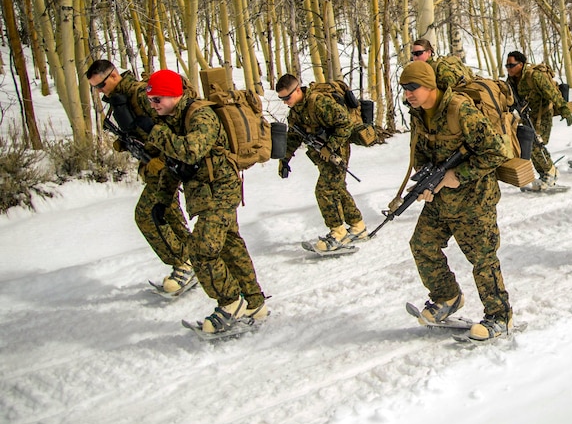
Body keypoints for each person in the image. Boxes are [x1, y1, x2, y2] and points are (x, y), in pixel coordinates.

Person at [143, 70, 268, 333]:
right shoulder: (170, 120)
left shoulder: (201, 115)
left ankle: (230, 303)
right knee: (230, 246)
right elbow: (172, 164)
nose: (153, 106)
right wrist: (162, 202)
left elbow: (191, 150)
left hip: (221, 191)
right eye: (151, 100)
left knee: (201, 249)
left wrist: (155, 134)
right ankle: (255, 304)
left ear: (174, 95)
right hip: (204, 194)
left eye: (157, 99)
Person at [399, 61, 513, 340]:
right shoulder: (418, 113)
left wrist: (458, 175)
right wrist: (424, 183)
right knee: (422, 245)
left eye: (413, 87)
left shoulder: (459, 109)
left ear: (430, 86)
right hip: (440, 197)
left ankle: (499, 317)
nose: (408, 94)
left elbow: (499, 151)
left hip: (475, 199)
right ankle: (447, 297)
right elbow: (422, 152)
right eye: (404, 88)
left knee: (482, 258)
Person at [85, 60, 195, 296]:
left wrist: (163, 161)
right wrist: (126, 141)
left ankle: (183, 263)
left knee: (146, 215)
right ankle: (196, 260)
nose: (100, 90)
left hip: (166, 165)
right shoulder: (121, 98)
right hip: (157, 166)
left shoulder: (140, 94)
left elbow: (170, 129)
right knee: (170, 215)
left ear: (114, 75)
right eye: (96, 87)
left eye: (102, 84)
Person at [276, 74, 369, 253]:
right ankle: (358, 226)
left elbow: (345, 125)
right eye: (282, 99)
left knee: (325, 190)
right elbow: (294, 137)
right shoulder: (296, 111)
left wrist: (331, 146)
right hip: (321, 154)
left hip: (337, 151)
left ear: (297, 90)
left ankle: (338, 233)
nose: (285, 102)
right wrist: (284, 159)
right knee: (337, 187)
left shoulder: (318, 103)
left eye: (287, 97)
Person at [505, 50, 572, 192]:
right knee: (528, 145)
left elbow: (552, 93)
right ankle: (544, 174)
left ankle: (551, 172)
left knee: (537, 144)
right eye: (507, 66)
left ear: (521, 64)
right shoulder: (511, 81)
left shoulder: (534, 76)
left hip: (543, 114)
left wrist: (565, 110)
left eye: (511, 65)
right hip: (527, 116)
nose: (509, 68)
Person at [409, 39, 474, 90]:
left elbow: (453, 91)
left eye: (418, 53)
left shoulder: (440, 68)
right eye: (413, 54)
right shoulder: (417, 71)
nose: (415, 57)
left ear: (429, 52)